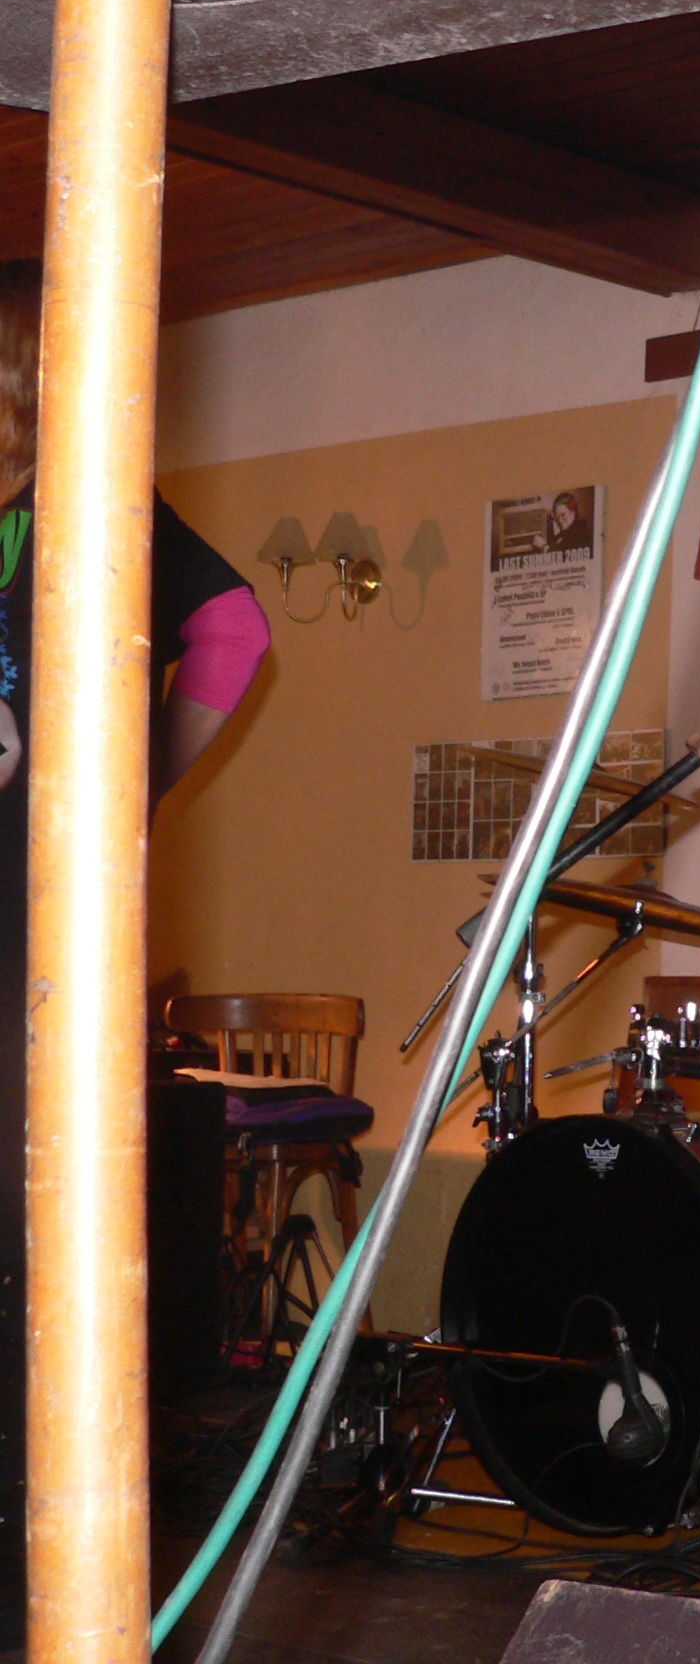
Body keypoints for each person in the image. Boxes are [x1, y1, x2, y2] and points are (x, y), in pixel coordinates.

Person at [0, 258, 271, 1630]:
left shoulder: (85, 501)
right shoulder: (92, 497)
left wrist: (128, 790)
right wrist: (130, 789)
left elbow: (233, 627)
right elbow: (235, 631)